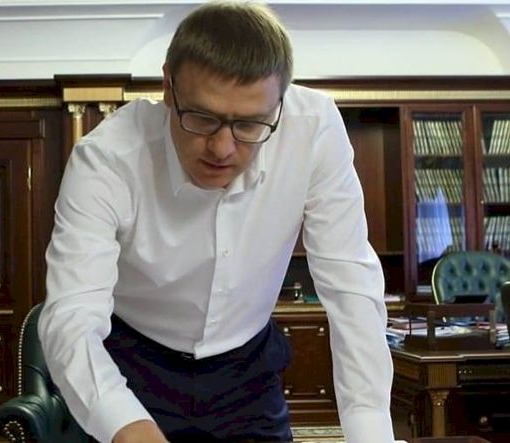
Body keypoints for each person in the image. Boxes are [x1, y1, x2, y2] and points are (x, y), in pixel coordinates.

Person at [38, 2, 395, 443]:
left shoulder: (313, 129)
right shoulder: (107, 160)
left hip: (247, 372)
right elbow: (70, 317)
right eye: (202, 118)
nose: (222, 148)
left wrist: (371, 432)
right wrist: (127, 427)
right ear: (168, 86)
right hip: (131, 366)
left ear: (279, 104)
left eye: (249, 124)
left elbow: (351, 286)